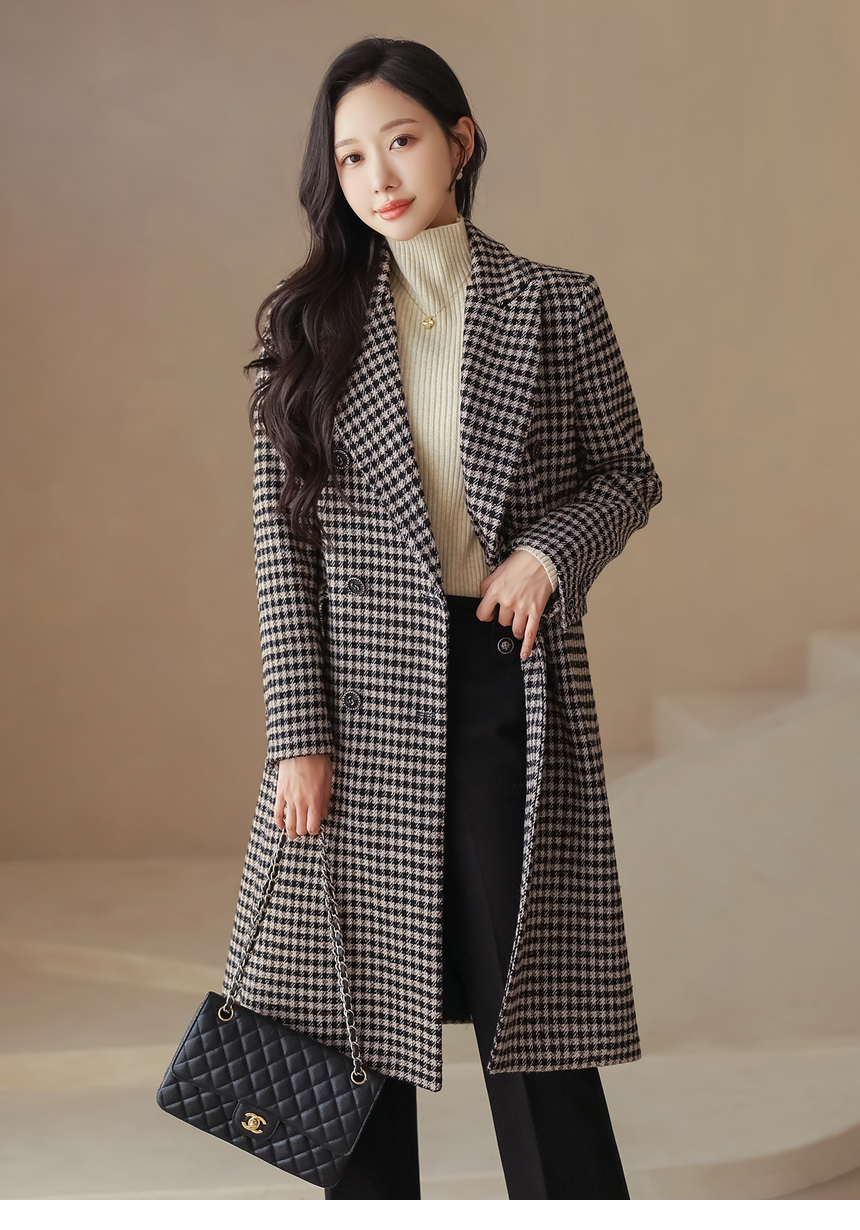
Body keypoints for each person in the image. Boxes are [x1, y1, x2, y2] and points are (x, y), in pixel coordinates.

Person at [221, 36, 662, 1200]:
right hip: (357, 703)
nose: (377, 175)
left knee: (533, 1009)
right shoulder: (304, 330)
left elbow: (625, 475)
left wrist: (547, 553)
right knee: (353, 1019)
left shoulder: (554, 304)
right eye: (350, 156)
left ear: (458, 142)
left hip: (501, 680)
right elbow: (281, 557)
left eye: (401, 140)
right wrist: (297, 738)